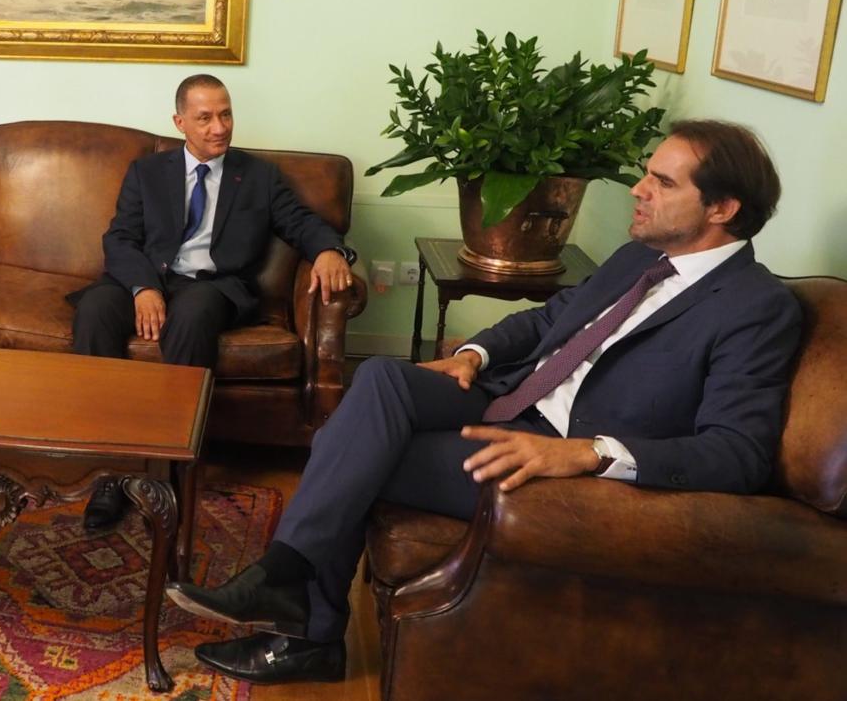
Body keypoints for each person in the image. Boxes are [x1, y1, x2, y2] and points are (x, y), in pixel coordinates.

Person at [165, 119, 803, 685]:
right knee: (382, 378)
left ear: (722, 207)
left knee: (357, 449)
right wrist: (475, 354)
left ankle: (305, 622)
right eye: (646, 174)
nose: (639, 189)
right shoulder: (640, 255)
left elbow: (738, 453)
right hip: (512, 396)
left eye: (662, 182)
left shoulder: (756, 307)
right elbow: (550, 318)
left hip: (556, 455)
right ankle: (290, 585)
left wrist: (588, 454)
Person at [70, 74, 357, 530]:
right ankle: (110, 469)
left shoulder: (259, 176)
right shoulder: (147, 172)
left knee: (193, 313)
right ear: (179, 122)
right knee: (95, 310)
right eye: (205, 118)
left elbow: (302, 222)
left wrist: (329, 251)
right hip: (150, 277)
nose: (219, 127)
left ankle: (167, 470)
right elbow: (120, 238)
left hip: (213, 285)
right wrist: (144, 288)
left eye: (225, 115)